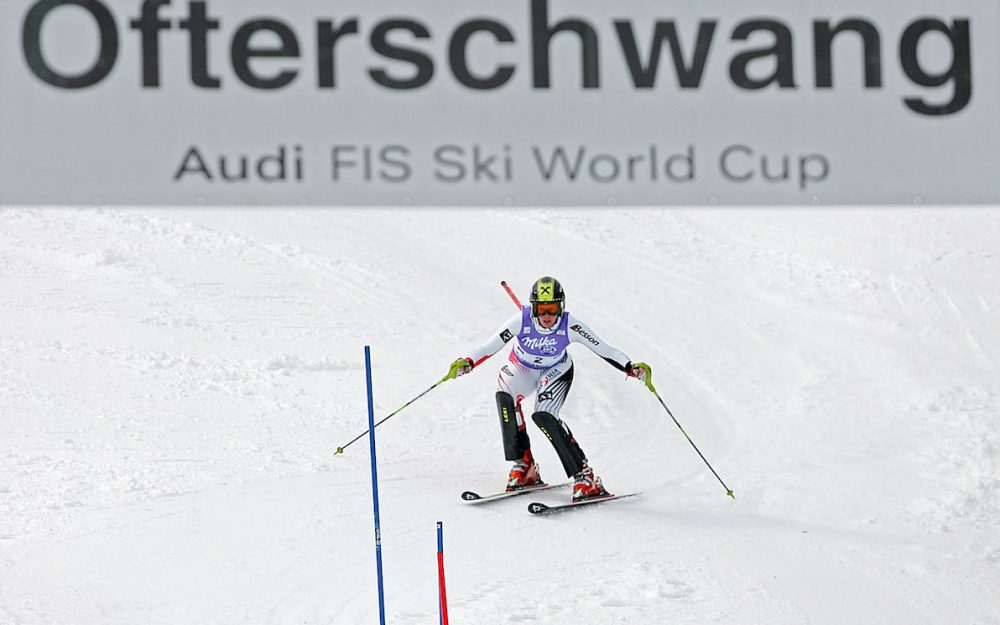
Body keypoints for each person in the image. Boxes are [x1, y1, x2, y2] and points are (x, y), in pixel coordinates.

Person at [446, 276, 652, 502]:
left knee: (544, 416)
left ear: (560, 307)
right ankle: (525, 467)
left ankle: (586, 477)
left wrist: (630, 367)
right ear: (533, 308)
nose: (547, 316)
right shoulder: (521, 320)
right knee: (505, 397)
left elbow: (605, 349)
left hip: (555, 370)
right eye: (541, 309)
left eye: (552, 308)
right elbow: (489, 346)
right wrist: (467, 362)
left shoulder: (570, 324)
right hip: (522, 367)